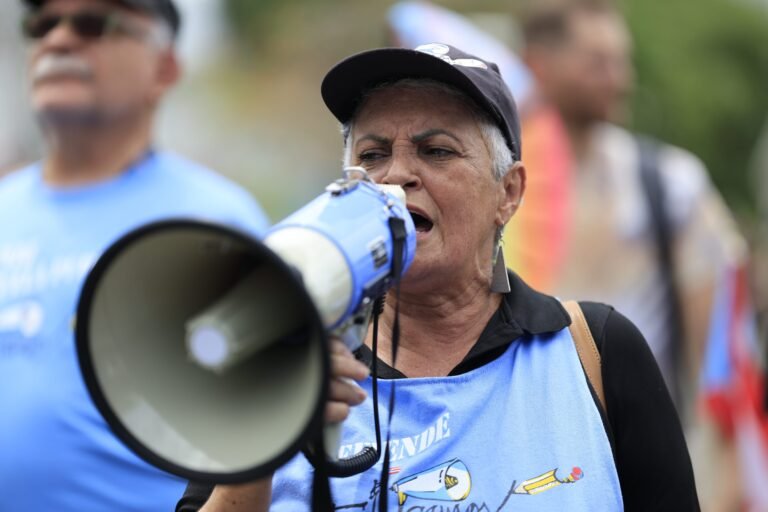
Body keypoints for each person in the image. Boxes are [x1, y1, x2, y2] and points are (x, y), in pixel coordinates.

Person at [176, 43, 699, 511]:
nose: (396, 177)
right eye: (373, 155)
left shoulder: (595, 353)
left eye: (437, 151)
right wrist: (264, 442)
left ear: (509, 193)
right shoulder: (283, 362)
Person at [0, 1, 270, 510]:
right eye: (42, 24)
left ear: (164, 69)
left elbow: (262, 420)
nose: (58, 39)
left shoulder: (214, 223)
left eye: (92, 23)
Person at [518, 1, 748, 507]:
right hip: (538, 466)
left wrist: (729, 470)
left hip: (649, 461)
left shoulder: (670, 185)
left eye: (622, 61)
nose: (620, 80)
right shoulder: (503, 192)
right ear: (538, 64)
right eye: (597, 63)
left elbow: (721, 353)